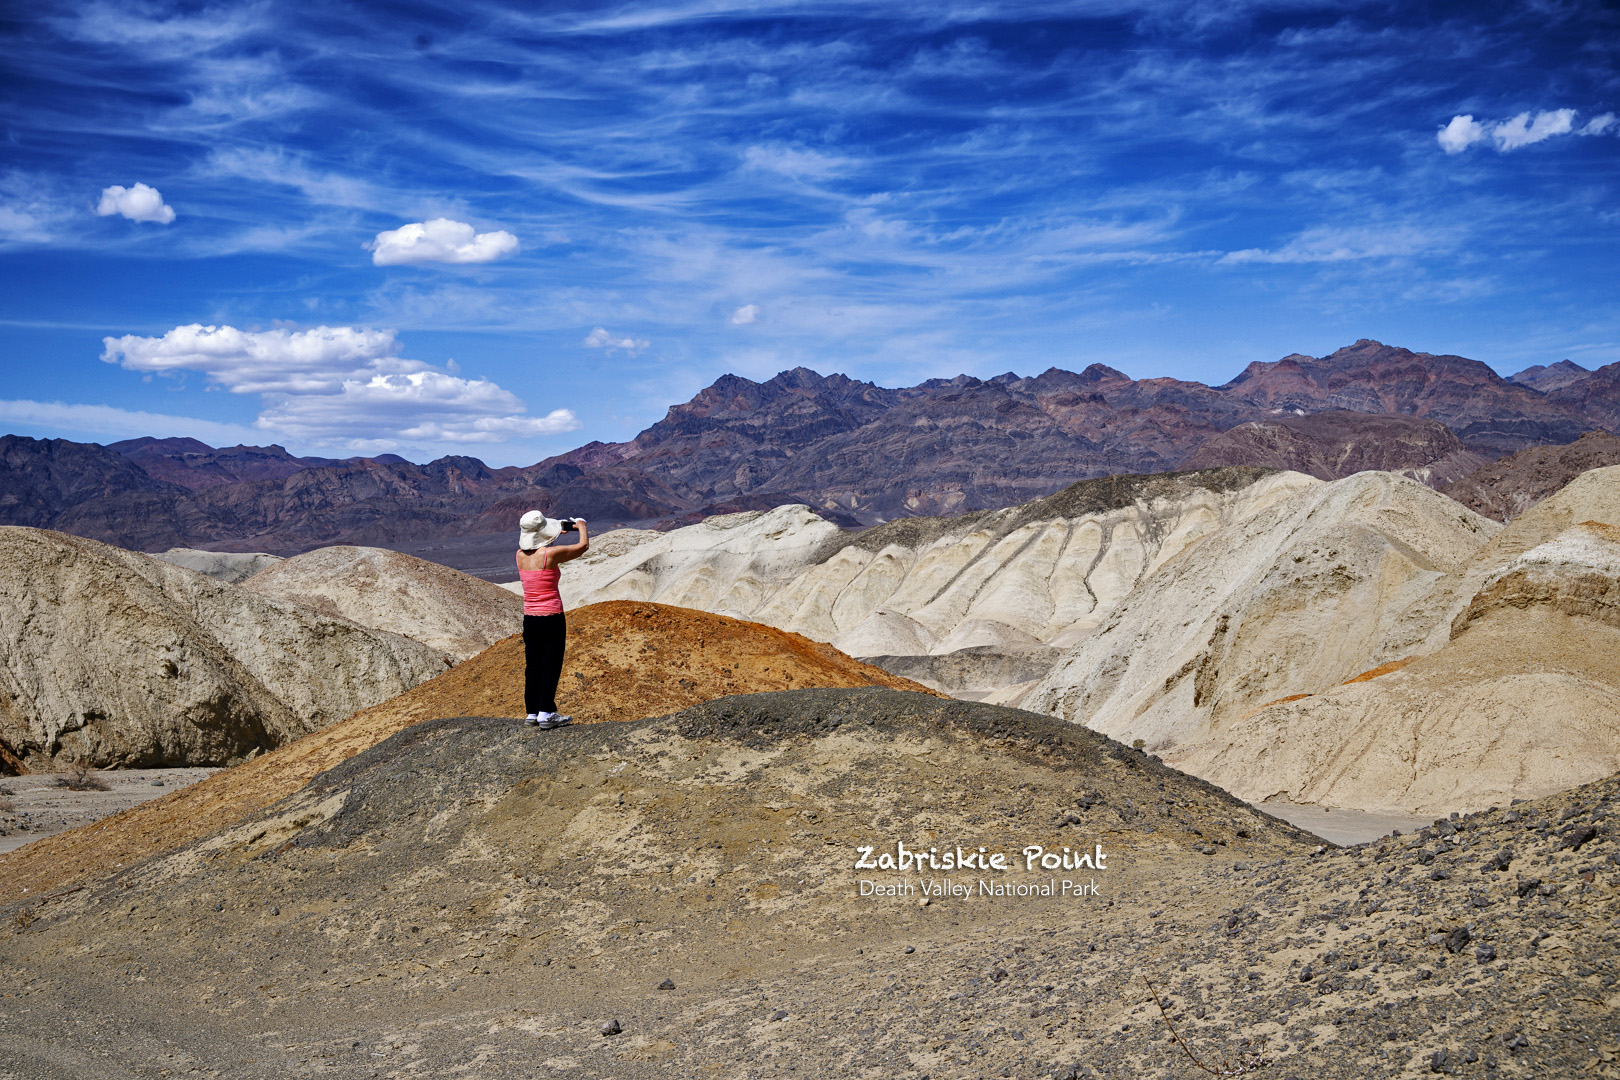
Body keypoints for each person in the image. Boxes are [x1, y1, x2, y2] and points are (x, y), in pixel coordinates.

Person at [515, 510, 589, 728]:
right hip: (551, 617)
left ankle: (532, 712)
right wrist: (581, 526)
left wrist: (554, 532)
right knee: (551, 663)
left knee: (533, 665)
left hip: (530, 618)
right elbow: (583, 547)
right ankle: (546, 712)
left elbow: (539, 547)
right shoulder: (549, 555)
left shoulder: (519, 555)